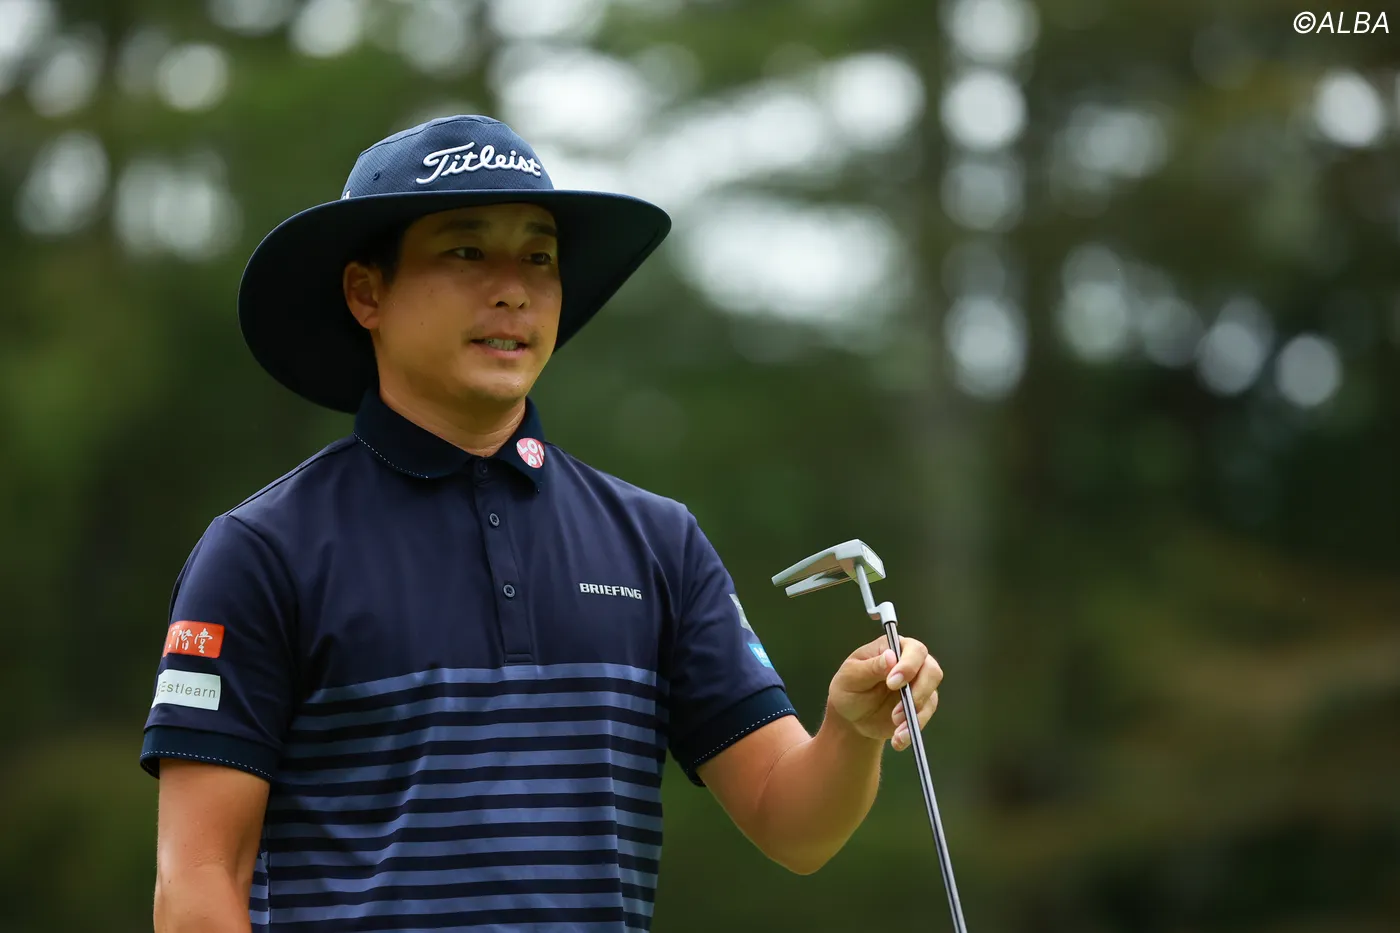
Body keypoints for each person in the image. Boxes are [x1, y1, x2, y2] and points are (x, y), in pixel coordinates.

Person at [142, 114, 943, 933]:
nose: (514, 290)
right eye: (466, 251)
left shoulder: (657, 541)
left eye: (539, 258)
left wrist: (849, 730)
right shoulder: (262, 551)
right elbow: (197, 882)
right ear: (366, 292)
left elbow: (792, 823)